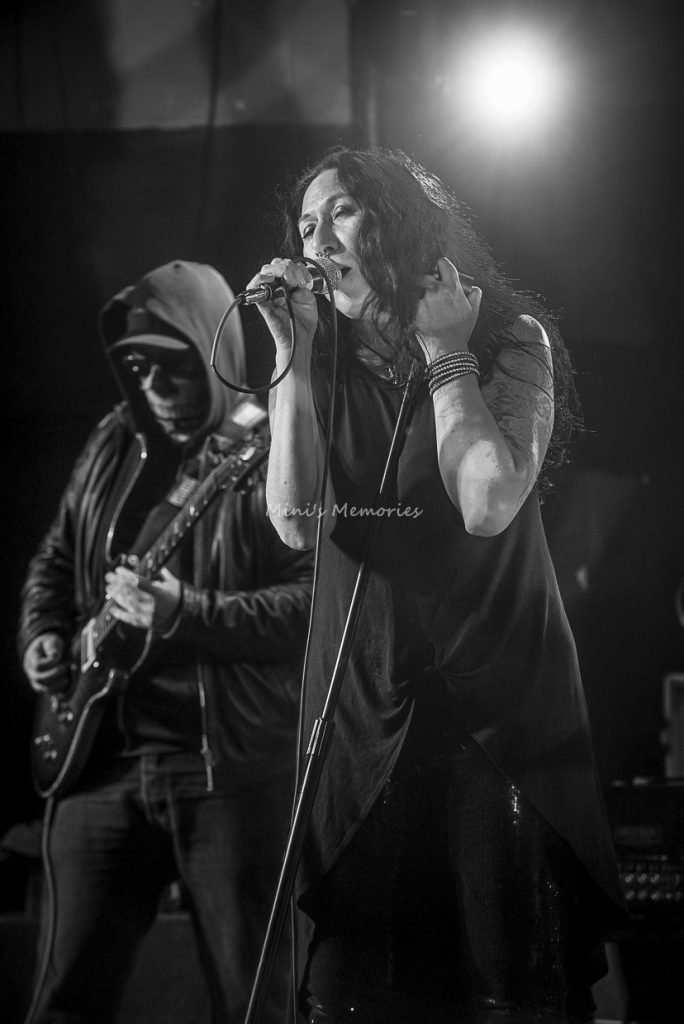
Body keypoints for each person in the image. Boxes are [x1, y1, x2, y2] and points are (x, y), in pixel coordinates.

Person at [247, 147, 625, 1024]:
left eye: (341, 213)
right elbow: (297, 521)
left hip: (496, 701)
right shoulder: (319, 364)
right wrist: (292, 356)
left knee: (510, 978)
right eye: (305, 225)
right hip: (361, 697)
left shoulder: (507, 340)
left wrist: (446, 352)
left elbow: (487, 503)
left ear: (403, 224)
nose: (316, 241)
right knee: (361, 988)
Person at [18, 260, 313, 1024]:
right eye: (138, 369)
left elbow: (314, 604)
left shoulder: (272, 444)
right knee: (62, 1002)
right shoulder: (114, 439)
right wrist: (42, 636)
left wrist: (188, 612)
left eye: (174, 367)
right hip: (99, 760)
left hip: (223, 767)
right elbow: (54, 557)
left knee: (255, 1006)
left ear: (211, 350)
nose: (155, 387)